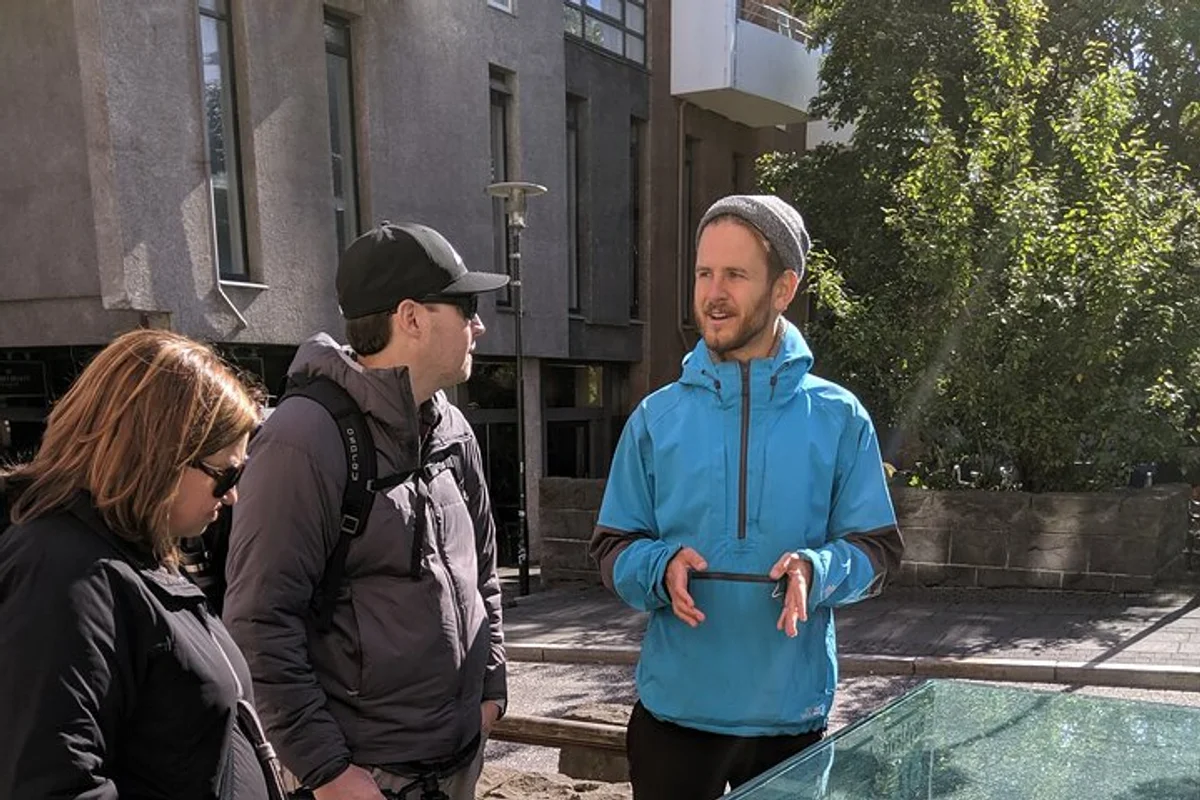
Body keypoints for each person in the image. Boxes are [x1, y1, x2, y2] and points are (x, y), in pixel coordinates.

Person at [590, 195, 904, 800]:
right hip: (673, 720)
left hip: (789, 725)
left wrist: (817, 569)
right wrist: (658, 567)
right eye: (704, 273)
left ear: (783, 288)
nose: (714, 293)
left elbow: (876, 551)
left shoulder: (840, 418)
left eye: (735, 274)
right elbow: (611, 548)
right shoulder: (655, 418)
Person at [223, 222, 508, 800]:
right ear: (411, 318)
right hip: (367, 781)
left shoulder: (452, 428)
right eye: (466, 307)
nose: (478, 326)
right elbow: (259, 622)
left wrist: (491, 690)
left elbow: (483, 574)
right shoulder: (303, 438)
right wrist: (328, 772)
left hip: (459, 764)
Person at [0, 329, 275, 800]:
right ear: (160, 457)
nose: (233, 495)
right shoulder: (65, 573)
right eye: (226, 474)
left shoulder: (125, 552)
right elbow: (52, 782)